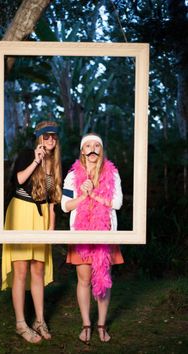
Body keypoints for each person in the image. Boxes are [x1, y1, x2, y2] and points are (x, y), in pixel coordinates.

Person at [2, 121, 62, 344]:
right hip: (21, 213)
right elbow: (17, 180)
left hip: (43, 216)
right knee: (21, 271)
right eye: (46, 137)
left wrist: (52, 226)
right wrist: (36, 160)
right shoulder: (28, 154)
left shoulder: (55, 163)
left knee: (38, 270)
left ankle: (39, 320)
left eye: (54, 137)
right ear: (38, 138)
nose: (50, 141)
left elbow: (53, 200)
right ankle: (20, 324)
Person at [61, 133, 124, 344]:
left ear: (101, 150)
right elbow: (65, 206)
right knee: (84, 279)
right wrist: (83, 195)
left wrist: (94, 193)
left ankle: (102, 325)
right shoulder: (72, 176)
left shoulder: (112, 174)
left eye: (97, 145)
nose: (93, 149)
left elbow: (117, 203)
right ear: (82, 150)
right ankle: (86, 324)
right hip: (81, 233)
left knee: (103, 280)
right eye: (88, 145)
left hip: (105, 231)